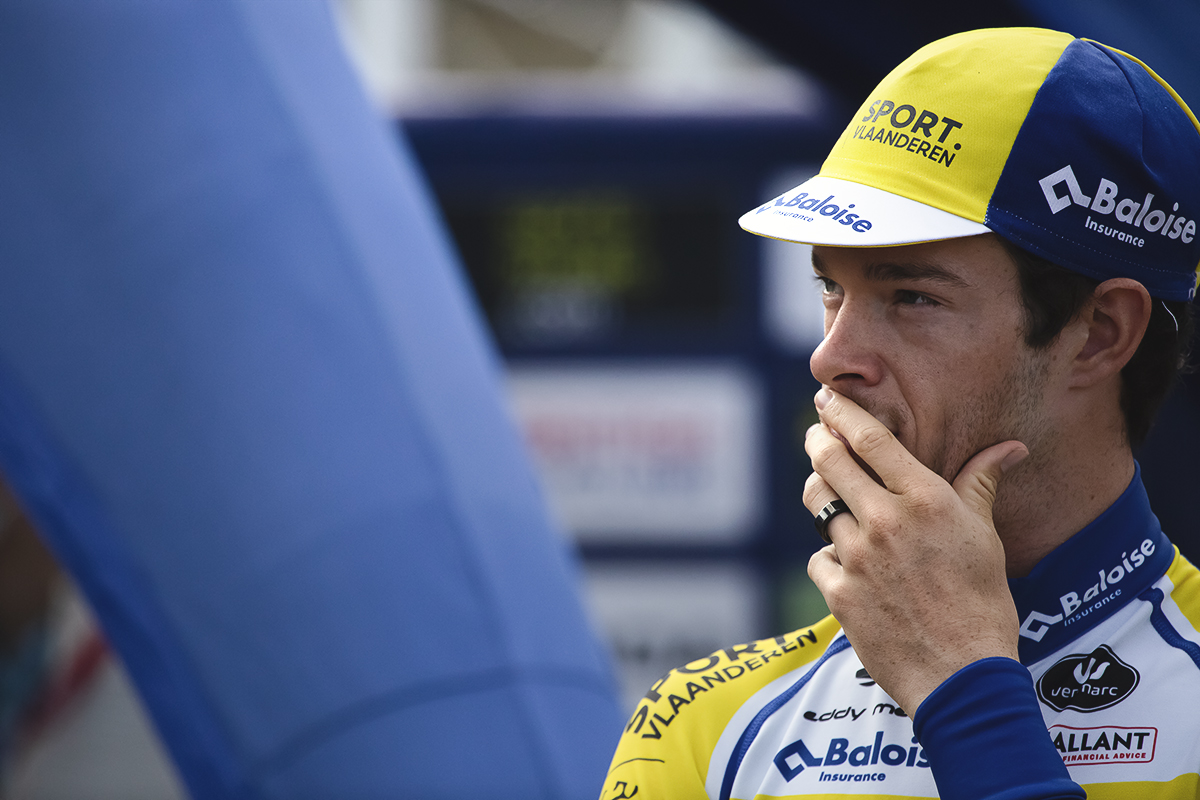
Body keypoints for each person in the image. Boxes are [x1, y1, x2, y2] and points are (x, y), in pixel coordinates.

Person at [598, 27, 1200, 800]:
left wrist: (966, 690)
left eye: (911, 296)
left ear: (1100, 335)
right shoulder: (710, 723)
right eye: (832, 290)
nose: (832, 357)